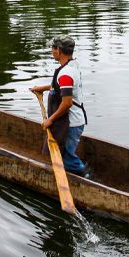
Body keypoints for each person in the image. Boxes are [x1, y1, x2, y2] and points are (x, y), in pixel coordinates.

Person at [30, 35, 92, 179]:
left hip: (69, 124)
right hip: (72, 121)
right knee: (63, 154)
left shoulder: (65, 73)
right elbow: (58, 87)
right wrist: (41, 88)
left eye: (53, 48)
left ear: (58, 50)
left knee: (65, 158)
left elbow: (67, 103)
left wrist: (50, 120)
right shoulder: (71, 66)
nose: (52, 51)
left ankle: (87, 178)